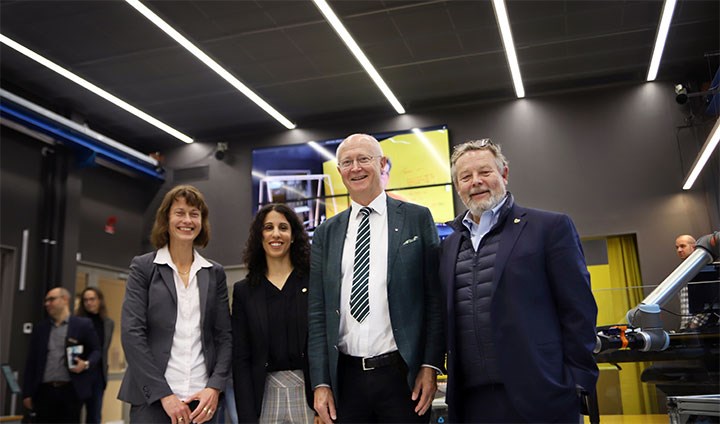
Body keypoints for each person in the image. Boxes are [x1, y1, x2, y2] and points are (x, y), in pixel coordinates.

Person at [439, 139, 598, 423]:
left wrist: (578, 382)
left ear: (504, 174)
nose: (476, 182)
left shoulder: (549, 228)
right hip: (472, 402)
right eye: (466, 177)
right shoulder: (449, 246)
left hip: (543, 396)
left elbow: (579, 311)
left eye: (485, 172)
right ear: (457, 185)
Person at [308, 133, 444, 423]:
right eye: (346, 162)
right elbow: (318, 314)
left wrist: (430, 365)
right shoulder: (325, 233)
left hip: (402, 377)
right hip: (346, 380)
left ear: (382, 164)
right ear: (340, 171)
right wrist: (321, 383)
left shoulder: (417, 218)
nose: (355, 168)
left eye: (363, 159)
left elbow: (435, 299)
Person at [118, 185, 232, 424]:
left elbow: (224, 336)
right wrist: (164, 395)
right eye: (180, 213)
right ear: (166, 219)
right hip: (154, 403)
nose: (187, 220)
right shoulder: (144, 268)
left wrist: (215, 387)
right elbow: (132, 334)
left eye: (194, 214)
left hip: (202, 404)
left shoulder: (214, 273)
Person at [232, 203, 315, 423]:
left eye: (283, 228)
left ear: (294, 236)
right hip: (264, 395)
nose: (276, 234)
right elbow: (241, 359)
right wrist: (247, 417)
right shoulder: (244, 291)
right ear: (259, 236)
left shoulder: (314, 282)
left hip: (310, 395)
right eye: (268, 227)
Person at [22, 286, 101, 423]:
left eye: (51, 299)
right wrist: (27, 393)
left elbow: (96, 351)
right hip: (44, 391)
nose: (47, 304)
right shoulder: (41, 328)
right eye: (46, 300)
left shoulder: (82, 325)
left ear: (65, 300)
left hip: (70, 390)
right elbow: (31, 362)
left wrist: (86, 364)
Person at [76, 287, 115, 424]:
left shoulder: (108, 323)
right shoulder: (77, 322)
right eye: (85, 300)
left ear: (99, 301)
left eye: (92, 299)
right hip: (78, 373)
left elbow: (104, 349)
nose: (88, 303)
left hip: (98, 374)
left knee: (94, 416)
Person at [675, 234, 719, 329]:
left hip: (703, 328)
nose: (679, 250)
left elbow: (710, 301)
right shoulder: (683, 270)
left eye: (682, 246)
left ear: (693, 247)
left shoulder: (705, 269)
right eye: (677, 247)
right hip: (688, 327)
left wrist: (694, 324)